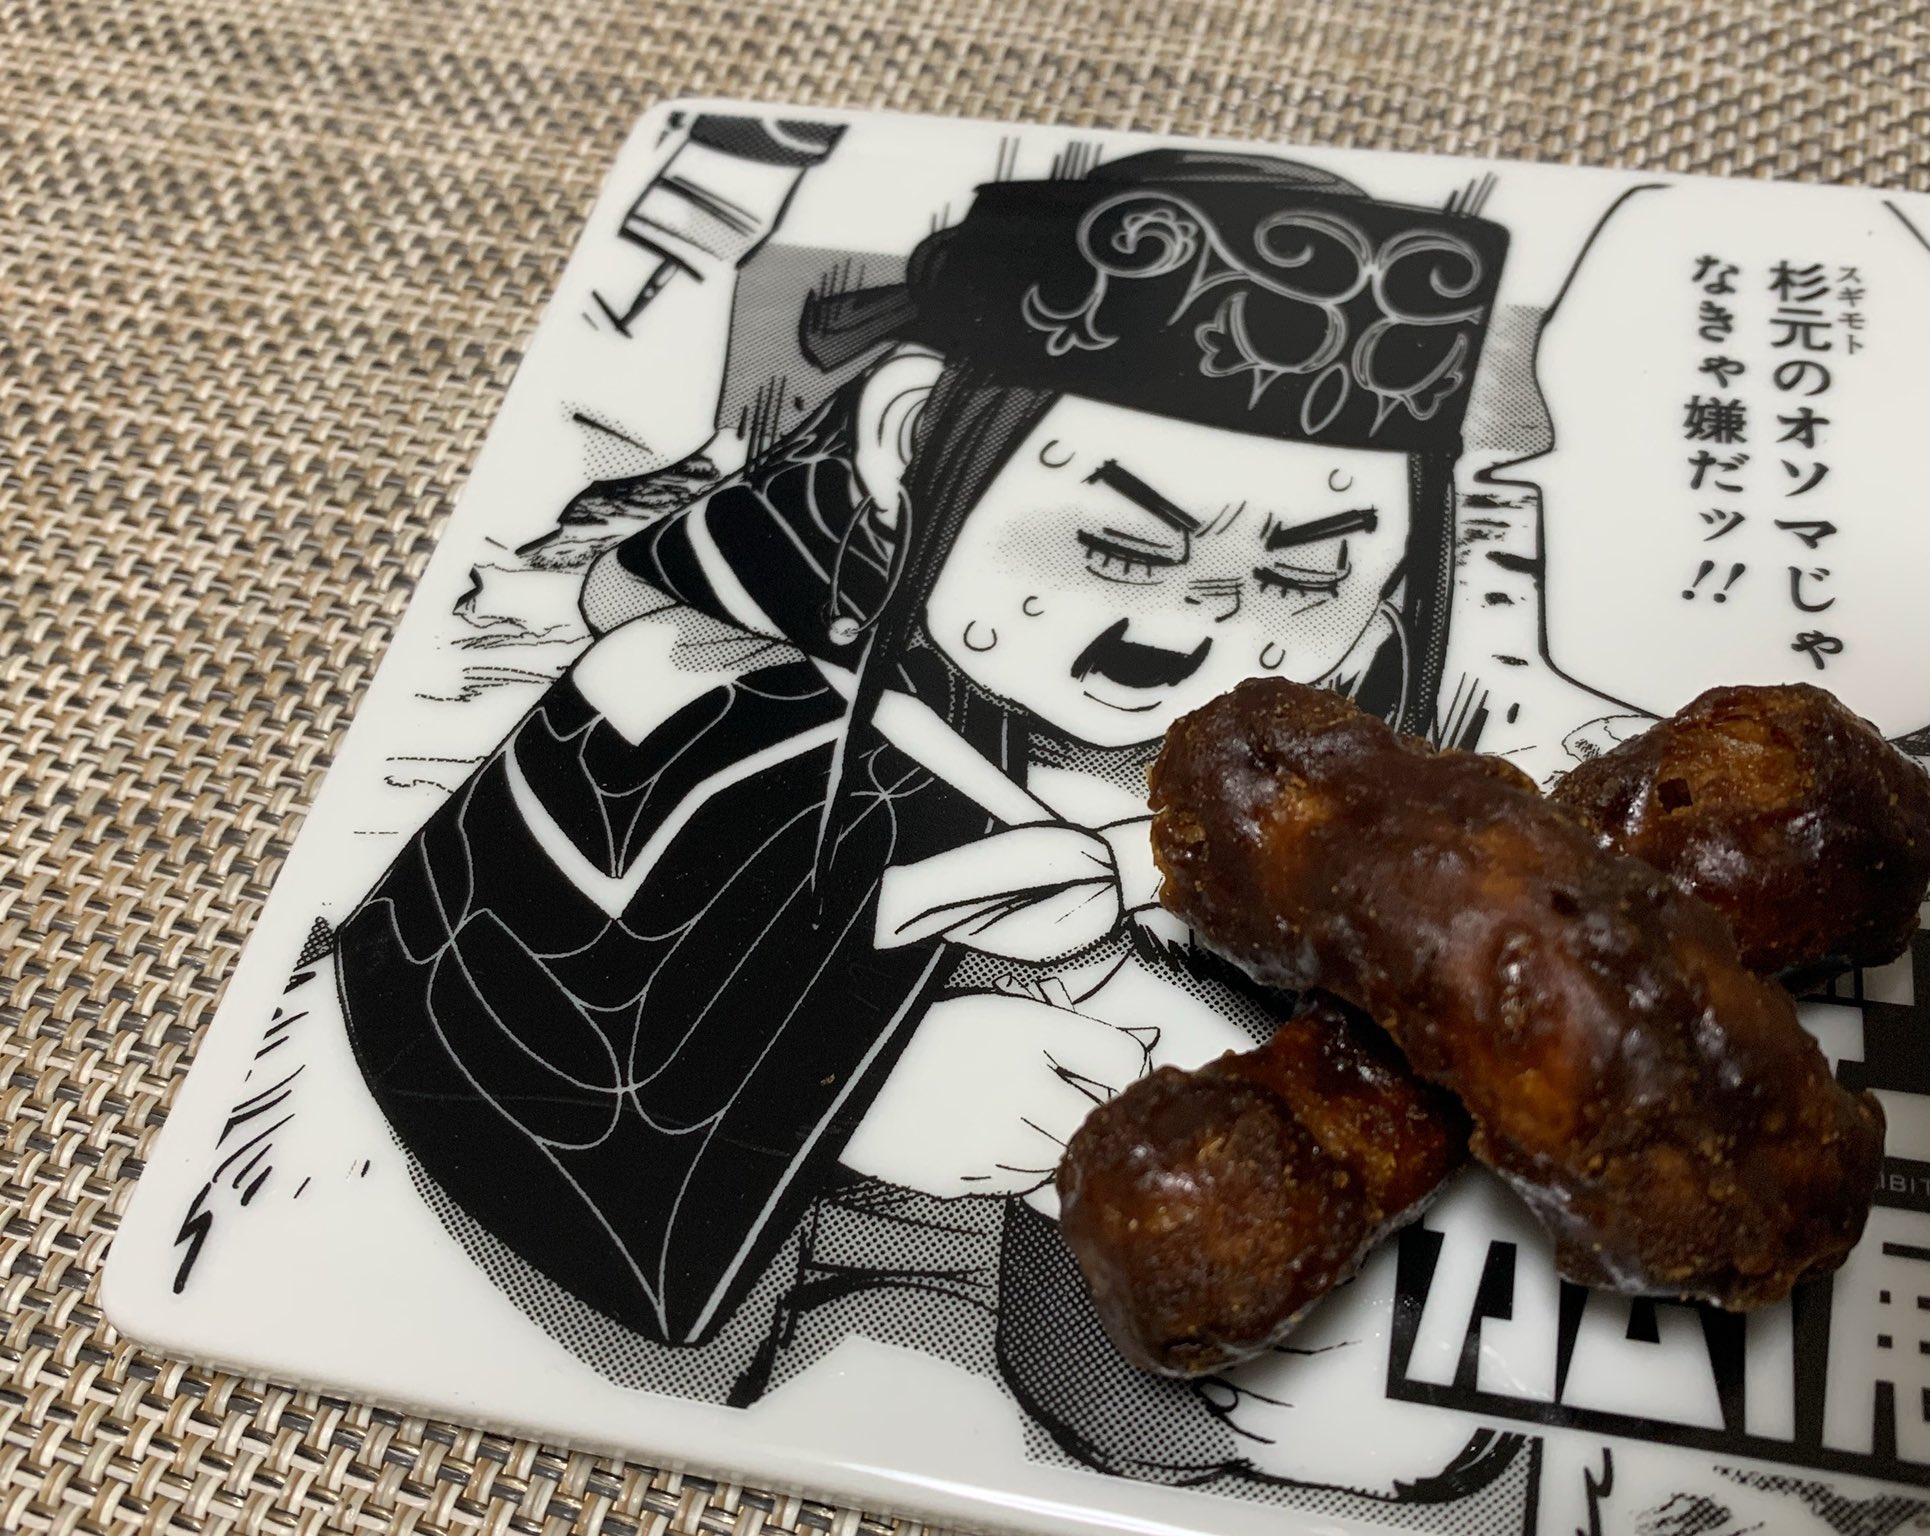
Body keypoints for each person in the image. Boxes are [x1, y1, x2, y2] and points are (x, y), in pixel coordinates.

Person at [335, 146, 1508, 1455]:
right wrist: (843, 1089)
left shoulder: (1319, 772)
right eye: (1119, 545)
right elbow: (439, 988)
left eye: (1304, 575)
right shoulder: (688, 686)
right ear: (905, 439)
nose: (1186, 635)